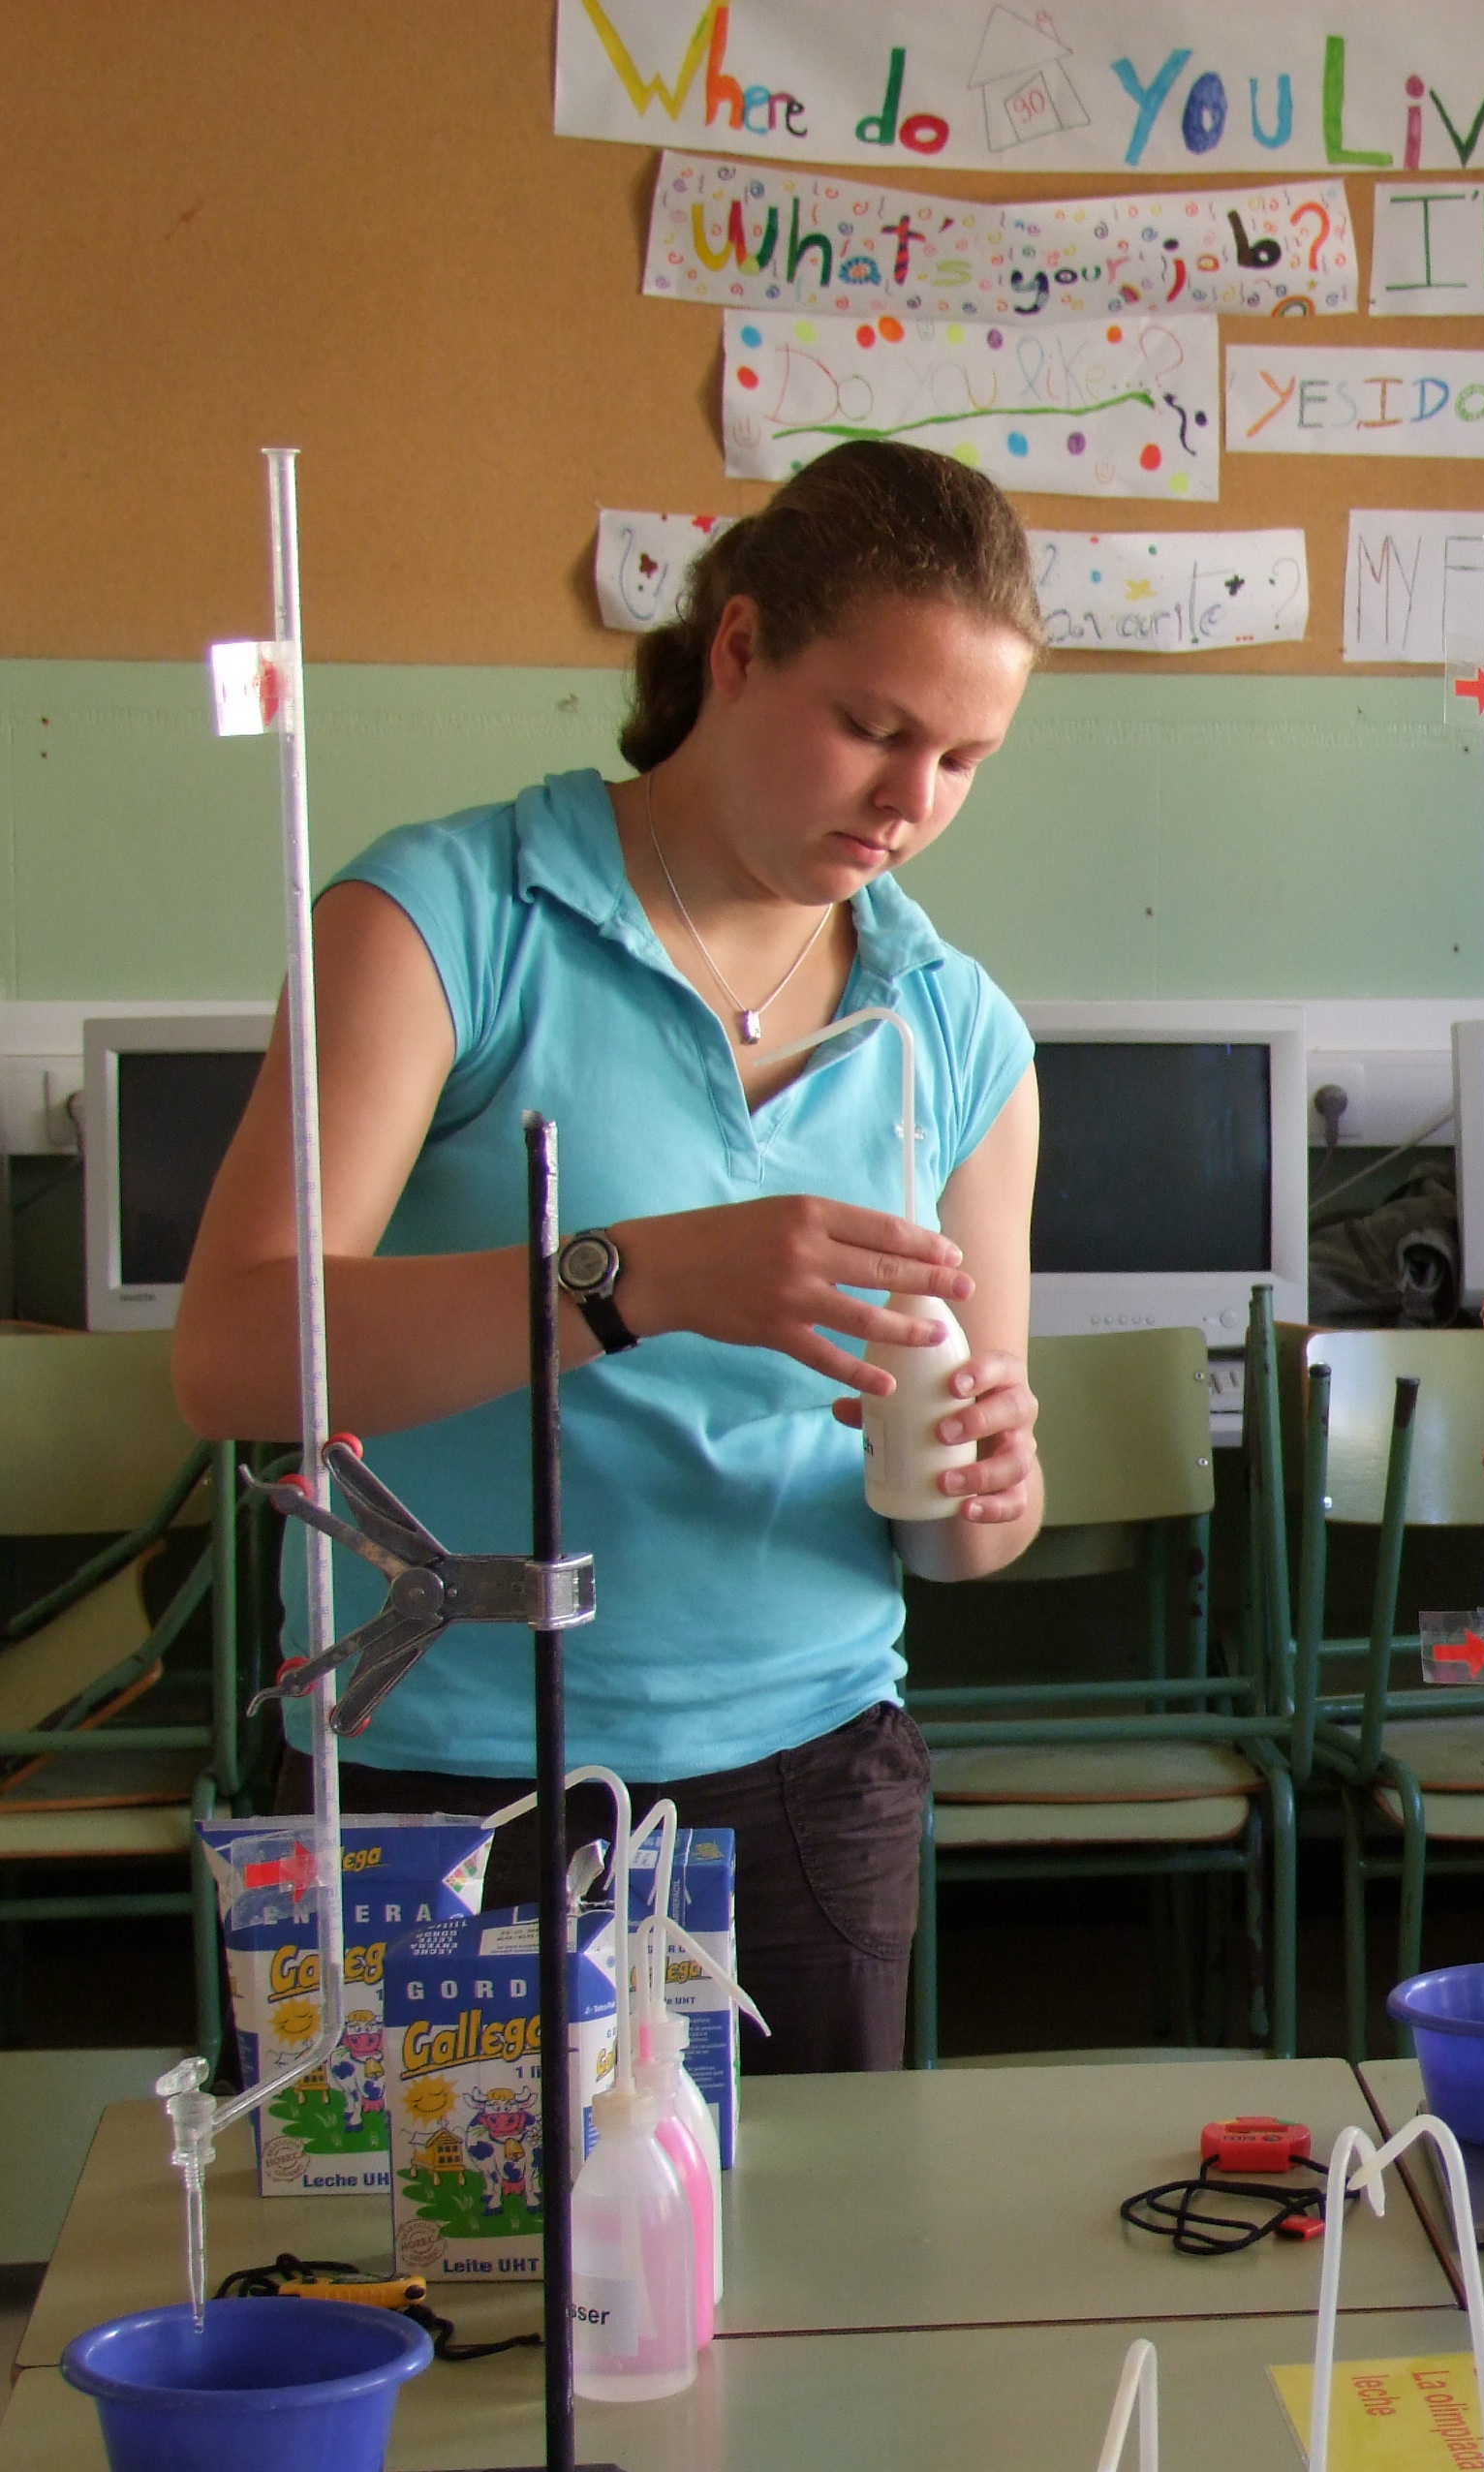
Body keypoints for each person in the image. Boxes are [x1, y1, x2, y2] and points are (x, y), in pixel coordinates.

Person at [175, 442, 1053, 2073]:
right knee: (418, 2235)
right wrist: (633, 1281)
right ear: (739, 647)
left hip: (806, 1786)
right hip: (445, 1781)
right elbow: (231, 1355)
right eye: (873, 728)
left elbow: (963, 1534)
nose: (911, 803)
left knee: (809, 2243)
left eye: (962, 759)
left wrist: (989, 1488)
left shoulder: (956, 1033)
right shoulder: (450, 921)